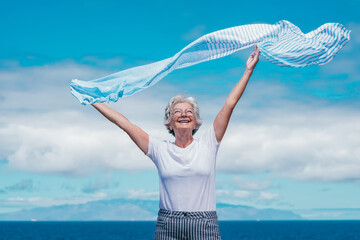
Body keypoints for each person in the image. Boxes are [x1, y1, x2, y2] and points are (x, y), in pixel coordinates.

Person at [92, 45, 260, 239]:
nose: (183, 114)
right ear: (169, 123)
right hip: (168, 226)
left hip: (204, 225)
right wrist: (92, 100)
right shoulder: (158, 149)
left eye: (189, 111)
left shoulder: (208, 143)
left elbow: (229, 104)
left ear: (196, 122)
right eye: (177, 112)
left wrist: (248, 70)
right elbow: (124, 123)